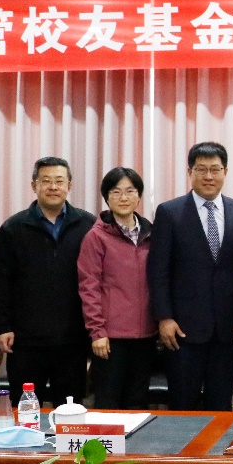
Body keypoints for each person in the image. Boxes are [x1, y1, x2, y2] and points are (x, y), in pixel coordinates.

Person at [148, 142, 233, 411]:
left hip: (227, 329)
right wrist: (164, 317)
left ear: (225, 172)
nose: (208, 176)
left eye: (215, 169)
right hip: (182, 329)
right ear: (190, 172)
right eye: (201, 169)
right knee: (183, 405)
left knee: (221, 405)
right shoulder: (169, 212)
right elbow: (158, 270)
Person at [0, 157, 97, 405]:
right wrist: (2, 326)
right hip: (25, 340)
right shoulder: (13, 228)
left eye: (59, 181)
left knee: (70, 410)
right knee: (26, 408)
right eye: (46, 181)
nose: (53, 187)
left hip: (72, 338)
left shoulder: (88, 225)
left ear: (69, 185)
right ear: (34, 185)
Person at [77, 167, 156, 410]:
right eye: (116, 192)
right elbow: (89, 287)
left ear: (139, 197)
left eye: (130, 191)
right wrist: (97, 332)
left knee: (137, 404)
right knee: (109, 404)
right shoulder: (96, 237)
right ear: (107, 198)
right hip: (110, 338)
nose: (123, 198)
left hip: (146, 335)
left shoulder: (151, 234)